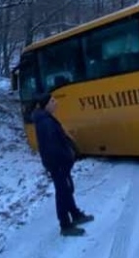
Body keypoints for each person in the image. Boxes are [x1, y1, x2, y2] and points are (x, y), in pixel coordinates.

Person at [31, 92, 94, 236]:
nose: (56, 103)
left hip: (58, 162)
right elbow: (52, 146)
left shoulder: (46, 119)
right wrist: (65, 157)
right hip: (57, 163)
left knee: (65, 189)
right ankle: (65, 225)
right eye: (53, 101)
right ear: (46, 105)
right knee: (62, 192)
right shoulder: (45, 122)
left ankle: (75, 214)